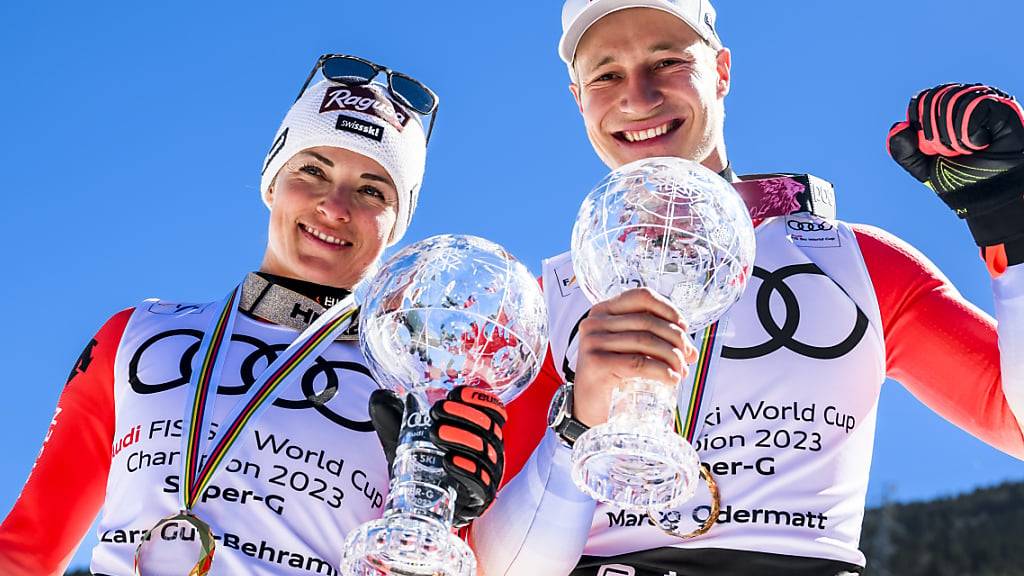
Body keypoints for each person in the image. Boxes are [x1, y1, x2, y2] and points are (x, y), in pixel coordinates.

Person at [472, 1, 1024, 575]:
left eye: (666, 62)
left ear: (722, 71)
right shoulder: (539, 306)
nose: (637, 97)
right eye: (607, 75)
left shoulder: (860, 264)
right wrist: (579, 423)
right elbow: (500, 569)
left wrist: (1009, 216)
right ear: (578, 98)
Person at [0, 54, 505, 576]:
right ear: (272, 180)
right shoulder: (138, 334)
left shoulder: (417, 388)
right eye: (313, 170)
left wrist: (452, 514)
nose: (335, 206)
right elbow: (25, 550)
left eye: (372, 190)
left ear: (395, 223)